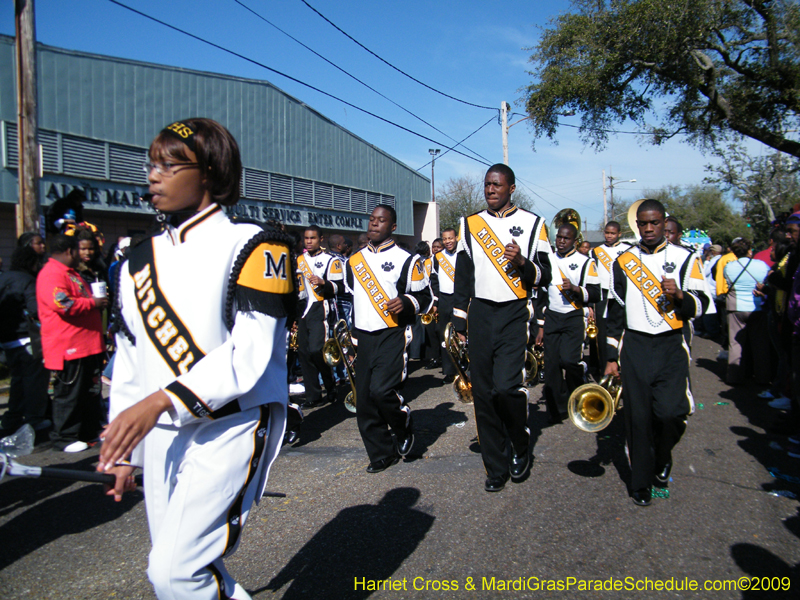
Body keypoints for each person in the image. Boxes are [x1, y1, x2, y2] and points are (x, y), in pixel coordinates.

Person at [97, 118, 295, 600]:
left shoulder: (256, 245)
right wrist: (124, 448)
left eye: (169, 164)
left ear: (209, 172)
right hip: (161, 432)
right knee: (186, 570)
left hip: (232, 425)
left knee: (175, 572)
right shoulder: (132, 263)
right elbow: (130, 359)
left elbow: (250, 353)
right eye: (151, 163)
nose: (153, 175)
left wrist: (162, 401)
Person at [453, 164, 552, 492]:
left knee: (508, 388)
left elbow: (545, 276)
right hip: (480, 313)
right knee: (484, 393)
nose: (490, 190)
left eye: (497, 185)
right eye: (486, 185)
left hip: (513, 313)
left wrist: (523, 263)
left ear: (511, 188)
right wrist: (459, 321)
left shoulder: (534, 224)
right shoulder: (470, 224)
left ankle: (520, 446)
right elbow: (463, 275)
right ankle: (495, 466)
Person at [606, 199, 710, 507]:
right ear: (636, 225)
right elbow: (615, 310)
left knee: (670, 413)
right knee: (638, 418)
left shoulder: (685, 258)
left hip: (670, 344)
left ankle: (662, 456)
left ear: (664, 223)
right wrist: (612, 355)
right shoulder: (624, 260)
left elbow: (703, 304)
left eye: (654, 223)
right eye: (643, 223)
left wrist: (680, 295)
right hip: (636, 345)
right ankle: (641, 482)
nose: (649, 228)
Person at [344, 204, 431, 473]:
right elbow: (349, 294)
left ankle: (402, 426)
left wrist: (407, 301)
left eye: (381, 221)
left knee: (382, 391)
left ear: (393, 227)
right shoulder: (354, 261)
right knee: (365, 401)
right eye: (371, 219)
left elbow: (426, 298)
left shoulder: (408, 260)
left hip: (392, 334)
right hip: (363, 337)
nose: (374, 224)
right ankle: (381, 453)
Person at [36, 234, 108, 452]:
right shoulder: (52, 273)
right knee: (69, 394)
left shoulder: (73, 273)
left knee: (90, 391)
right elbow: (62, 303)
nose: (83, 255)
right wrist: (92, 303)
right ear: (70, 251)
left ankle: (89, 431)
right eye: (79, 251)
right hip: (69, 345)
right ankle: (64, 436)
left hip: (88, 343)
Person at [539, 223, 601, 423]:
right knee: (551, 365)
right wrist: (540, 322)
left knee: (568, 360)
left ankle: (577, 393)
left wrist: (575, 289)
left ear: (575, 241)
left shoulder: (585, 262)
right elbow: (541, 293)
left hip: (574, 315)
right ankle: (556, 409)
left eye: (566, 238)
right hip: (553, 316)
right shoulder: (548, 259)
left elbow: (596, 293)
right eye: (559, 237)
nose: (561, 241)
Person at [0, 244, 50, 435]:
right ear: (31, 263)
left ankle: (12, 417)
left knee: (17, 380)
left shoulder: (3, 278)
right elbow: (35, 310)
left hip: (7, 340)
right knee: (34, 382)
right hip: (27, 339)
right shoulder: (28, 280)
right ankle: (34, 420)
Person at [295, 225, 342, 409]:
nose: (309, 241)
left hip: (319, 307)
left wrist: (325, 283)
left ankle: (330, 385)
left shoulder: (331, 260)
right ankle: (313, 395)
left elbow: (340, 286)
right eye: (306, 238)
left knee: (317, 350)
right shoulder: (298, 260)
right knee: (304, 353)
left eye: (313, 238)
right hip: (302, 309)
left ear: (320, 239)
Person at [723, 237, 770, 385]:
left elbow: (728, 282)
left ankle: (734, 376)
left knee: (735, 343)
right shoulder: (761, 265)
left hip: (735, 307)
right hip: (757, 307)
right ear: (750, 250)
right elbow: (766, 280)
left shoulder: (729, 267)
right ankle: (762, 378)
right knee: (759, 344)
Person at [589, 221, 632, 375]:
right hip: (603, 296)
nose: (609, 236)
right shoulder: (597, 251)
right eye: (607, 233)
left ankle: (622, 369)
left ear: (619, 234)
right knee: (602, 334)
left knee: (621, 332)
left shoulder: (628, 249)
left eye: (613, 233)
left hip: (621, 296)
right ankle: (603, 370)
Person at [431, 228, 459, 383]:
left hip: (460, 299)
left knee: (460, 333)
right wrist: (435, 301)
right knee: (445, 335)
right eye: (445, 239)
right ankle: (449, 370)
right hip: (444, 299)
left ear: (456, 238)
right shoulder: (438, 257)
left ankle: (464, 366)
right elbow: (433, 279)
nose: (448, 241)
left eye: (451, 238)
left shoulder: (463, 255)